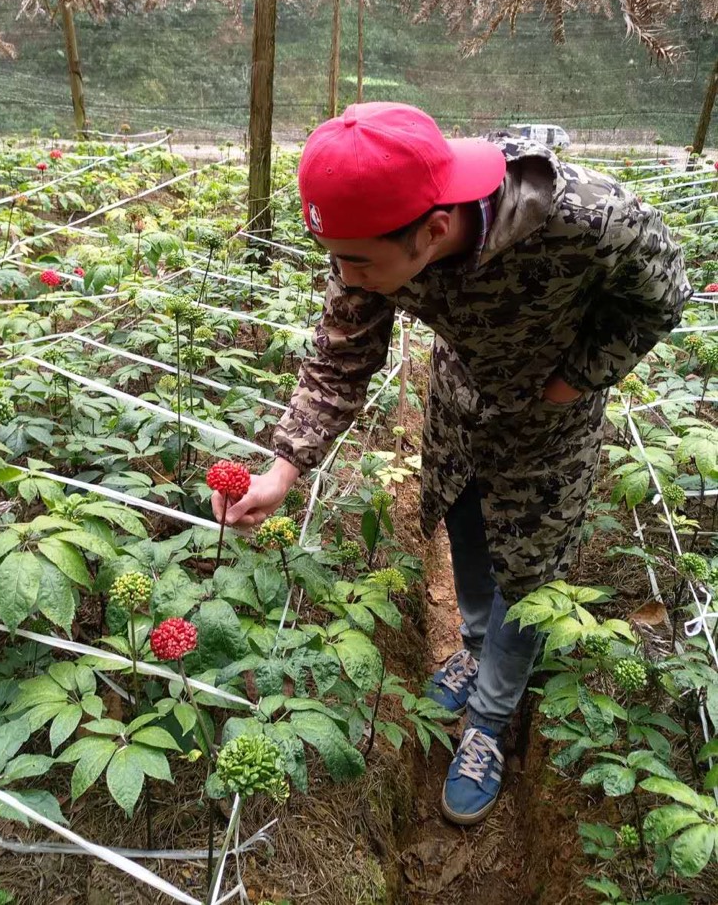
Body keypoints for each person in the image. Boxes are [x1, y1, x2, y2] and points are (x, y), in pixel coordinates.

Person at [211, 102, 691, 825]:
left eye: (359, 260)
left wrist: (575, 379)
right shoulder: (372, 246)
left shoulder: (589, 218)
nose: (345, 276)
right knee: (467, 528)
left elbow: (660, 297)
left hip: (551, 431)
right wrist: (282, 470)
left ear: (434, 228)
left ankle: (490, 724)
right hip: (461, 411)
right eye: (334, 257)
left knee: (527, 577)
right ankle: (471, 648)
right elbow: (341, 361)